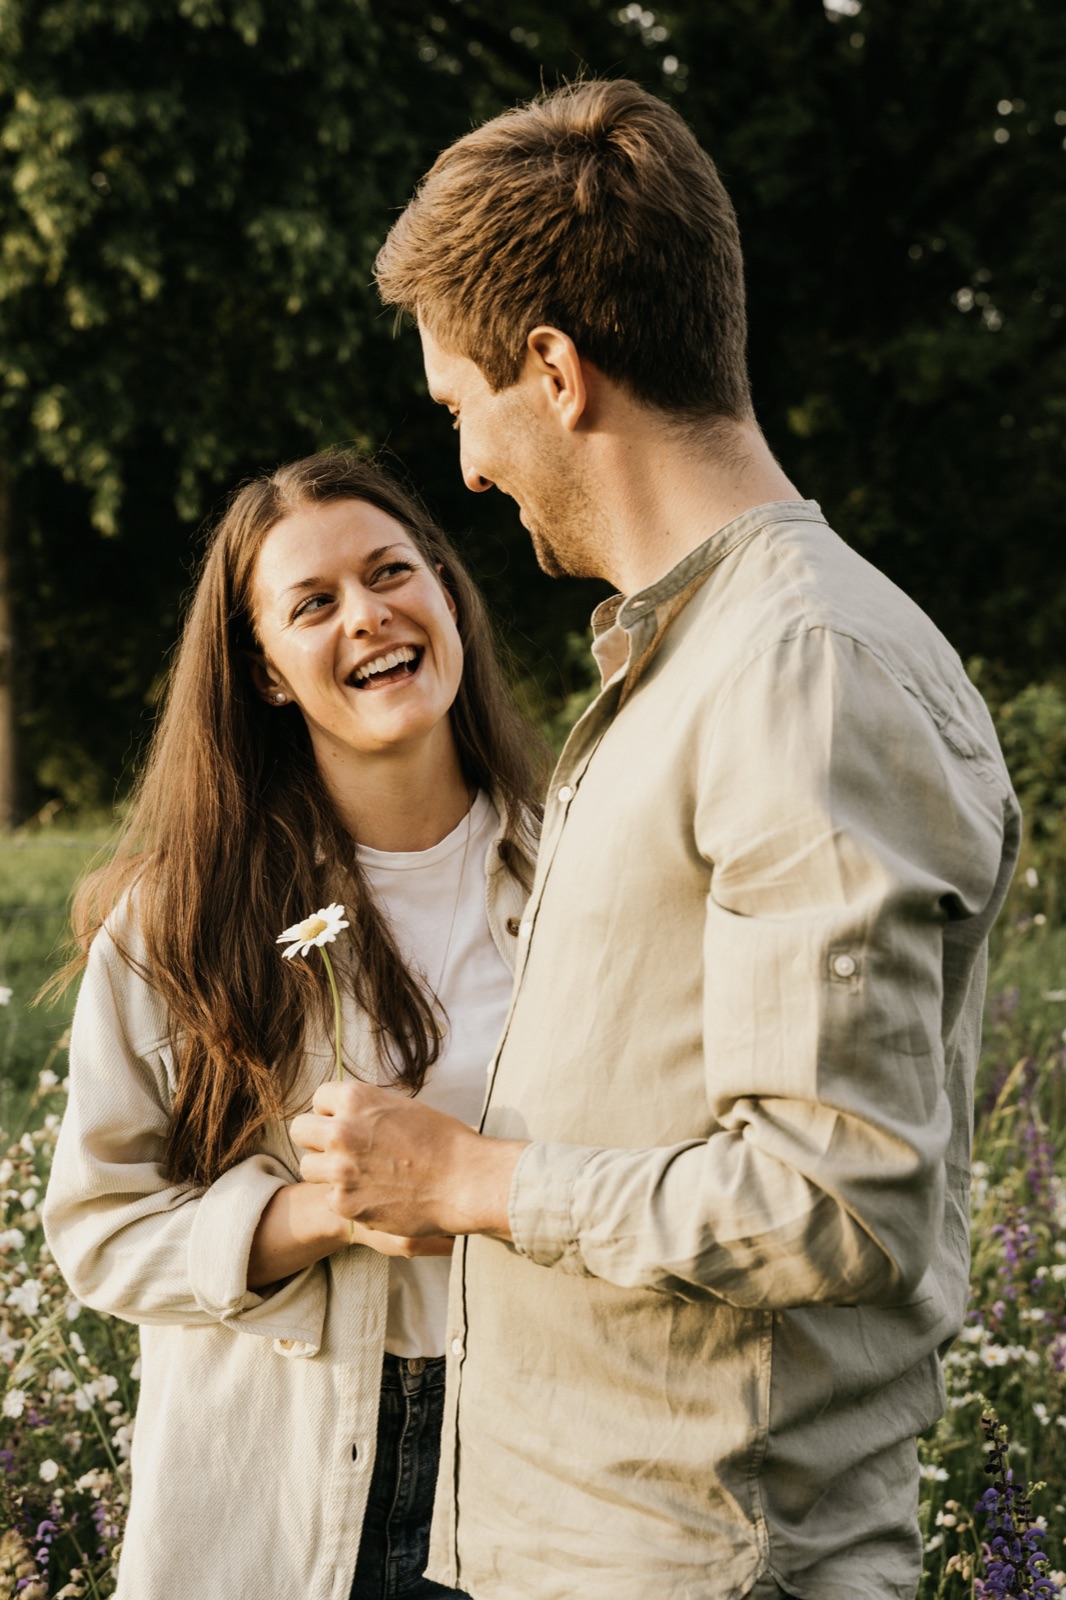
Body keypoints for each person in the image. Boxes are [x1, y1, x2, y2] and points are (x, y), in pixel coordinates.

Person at [291, 80, 1022, 1600]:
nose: (469, 470)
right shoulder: (688, 669)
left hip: (700, 1564)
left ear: (552, 369)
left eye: (458, 410)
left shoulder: (802, 672)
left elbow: (833, 1198)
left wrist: (470, 1182)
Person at [42, 450, 542, 1600]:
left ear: (447, 596)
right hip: (286, 1470)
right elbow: (101, 1227)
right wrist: (320, 1212)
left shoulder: (581, 863)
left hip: (535, 1455)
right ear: (266, 671)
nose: (367, 615)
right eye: (312, 604)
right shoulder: (181, 918)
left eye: (390, 572)